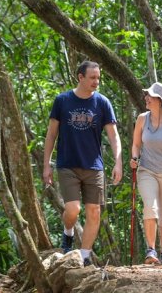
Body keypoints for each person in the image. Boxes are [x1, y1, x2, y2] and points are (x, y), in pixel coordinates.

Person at [43, 61, 123, 267]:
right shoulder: (62, 101)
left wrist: (118, 162)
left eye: (98, 77)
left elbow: (113, 136)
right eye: (92, 78)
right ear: (80, 77)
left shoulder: (102, 103)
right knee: (73, 210)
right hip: (68, 164)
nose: (97, 81)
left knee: (94, 211)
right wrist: (46, 165)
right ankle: (68, 233)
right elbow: (51, 134)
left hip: (94, 166)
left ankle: (85, 256)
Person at [130, 81, 162, 264]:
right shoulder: (142, 119)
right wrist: (135, 158)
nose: (146, 98)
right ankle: (151, 251)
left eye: (150, 96)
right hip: (147, 170)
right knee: (150, 207)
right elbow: (136, 144)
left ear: (160, 100)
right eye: (147, 95)